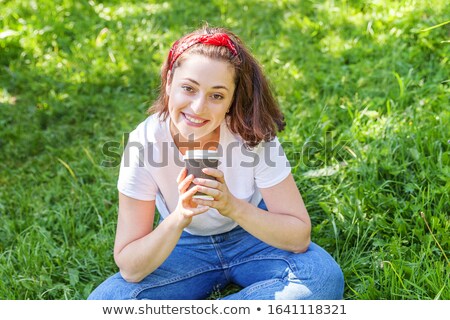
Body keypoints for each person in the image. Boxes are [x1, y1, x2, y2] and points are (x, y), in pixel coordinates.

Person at [88, 25, 344, 300]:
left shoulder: (252, 137)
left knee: (321, 278)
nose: (198, 108)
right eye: (188, 88)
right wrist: (179, 218)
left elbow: (298, 237)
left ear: (232, 101)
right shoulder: (144, 143)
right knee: (107, 302)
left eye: (217, 95)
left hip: (253, 236)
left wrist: (232, 206)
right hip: (183, 246)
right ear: (169, 82)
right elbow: (130, 268)